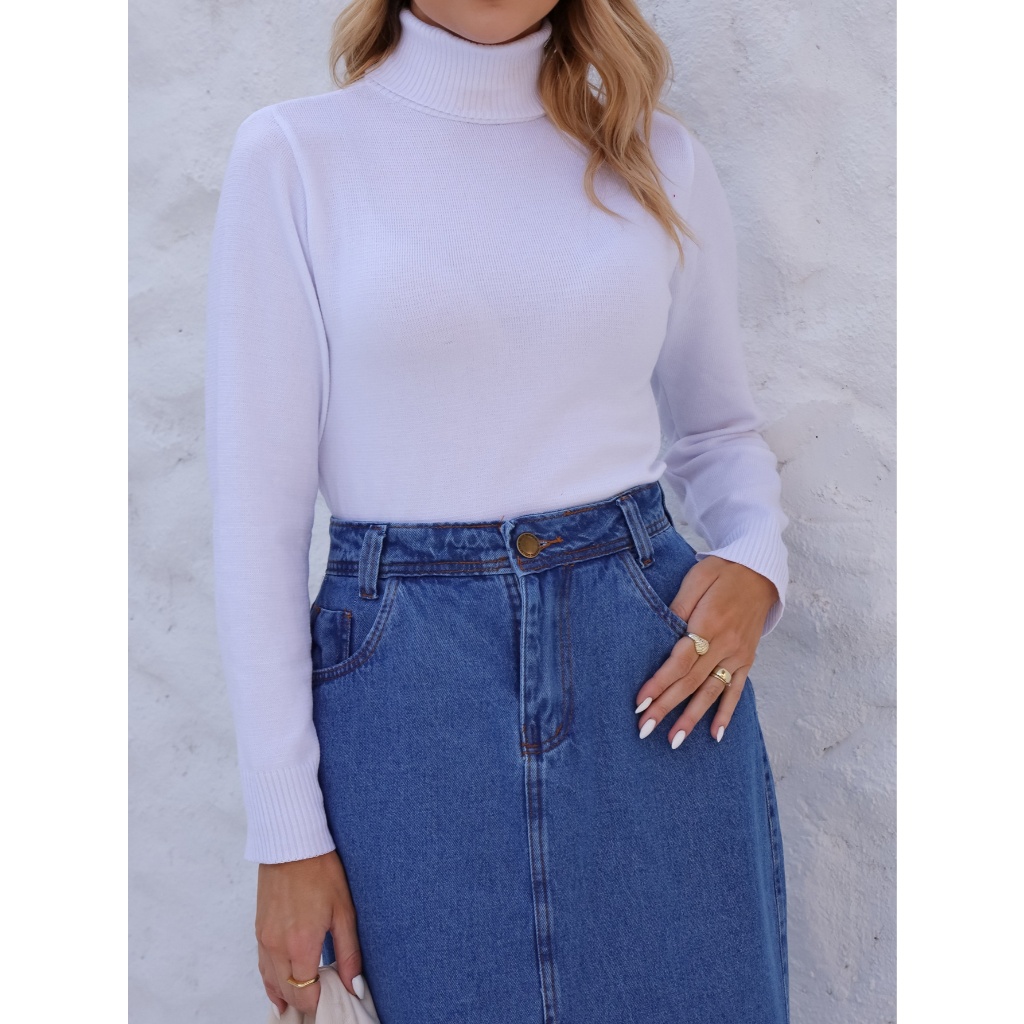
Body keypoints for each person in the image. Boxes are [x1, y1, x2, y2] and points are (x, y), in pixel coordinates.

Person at [204, 1, 792, 1021]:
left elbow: (716, 430)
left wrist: (756, 562)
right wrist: (286, 834)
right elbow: (257, 520)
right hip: (405, 699)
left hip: (649, 683)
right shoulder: (295, 156)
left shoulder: (658, 157)